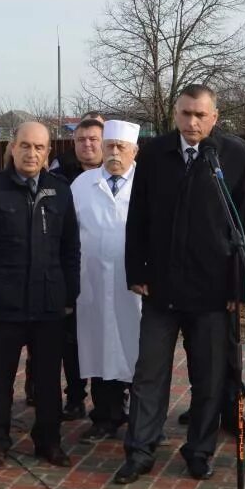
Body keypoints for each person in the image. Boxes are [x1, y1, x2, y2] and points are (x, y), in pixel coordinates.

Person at [113, 86, 245, 485]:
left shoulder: (232, 155)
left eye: (200, 115)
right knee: (149, 374)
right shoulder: (156, 153)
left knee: (209, 377)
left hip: (213, 291)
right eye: (185, 114)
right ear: (174, 114)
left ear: (215, 117)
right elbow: (138, 215)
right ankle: (139, 451)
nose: (192, 123)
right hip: (162, 286)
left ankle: (199, 450)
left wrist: (239, 289)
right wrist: (135, 271)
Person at [0, 121, 80, 469]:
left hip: (49, 303)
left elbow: (70, 248)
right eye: (25, 145)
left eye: (39, 148)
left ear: (47, 153)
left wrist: (69, 295)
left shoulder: (60, 190)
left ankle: (48, 441)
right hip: (4, 302)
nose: (32, 153)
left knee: (47, 380)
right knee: (0, 379)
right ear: (11, 147)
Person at [71, 120, 141, 443]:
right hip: (93, 284)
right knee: (99, 349)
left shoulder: (147, 182)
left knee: (139, 351)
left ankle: (142, 419)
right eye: (109, 146)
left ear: (134, 151)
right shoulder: (83, 184)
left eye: (120, 147)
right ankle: (105, 416)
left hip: (135, 286)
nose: (113, 152)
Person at [50, 116, 104, 419]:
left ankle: (109, 396)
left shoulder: (115, 174)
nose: (87, 145)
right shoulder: (60, 176)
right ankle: (74, 395)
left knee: (103, 336)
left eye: (94, 139)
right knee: (70, 339)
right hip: (68, 268)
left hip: (105, 268)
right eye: (82, 140)